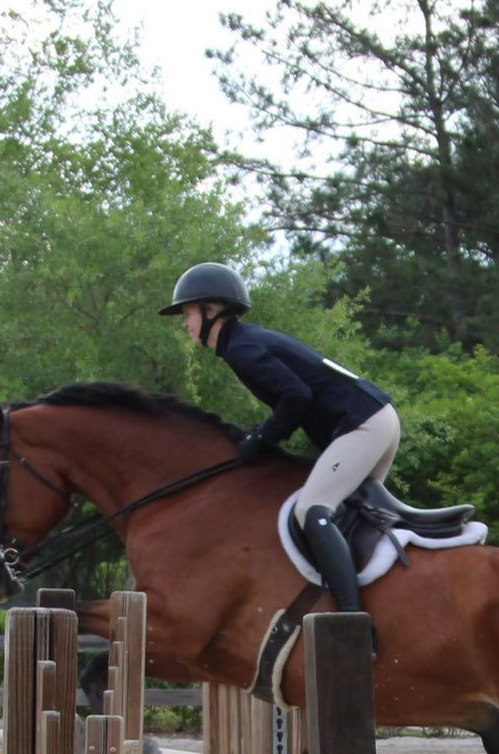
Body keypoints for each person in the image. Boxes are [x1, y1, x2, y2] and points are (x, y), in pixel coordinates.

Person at [160, 261, 401, 621]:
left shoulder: (242, 348)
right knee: (353, 518)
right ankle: (385, 603)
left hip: (363, 425)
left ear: (213, 312)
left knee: (312, 511)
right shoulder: (246, 342)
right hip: (375, 418)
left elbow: (297, 396)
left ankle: (351, 621)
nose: (185, 323)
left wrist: (261, 437)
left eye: (189, 312)